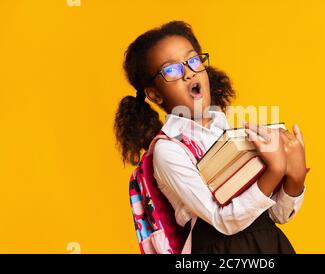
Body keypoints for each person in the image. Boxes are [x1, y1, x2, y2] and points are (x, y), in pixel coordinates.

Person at [114, 20, 309, 254]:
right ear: (155, 94)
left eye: (193, 60)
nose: (188, 73)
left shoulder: (228, 132)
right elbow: (222, 220)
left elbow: (274, 215)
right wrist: (275, 170)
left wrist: (294, 180)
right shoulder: (169, 150)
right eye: (171, 70)